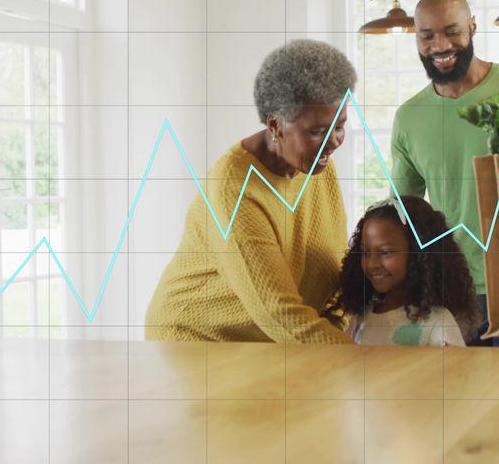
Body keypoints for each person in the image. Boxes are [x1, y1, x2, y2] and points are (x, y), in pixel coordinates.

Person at [144, 39, 356, 344]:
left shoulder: (317, 165)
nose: (334, 141)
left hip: (269, 342)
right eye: (318, 131)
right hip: (199, 341)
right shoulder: (235, 187)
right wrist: (362, 361)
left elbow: (332, 268)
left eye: (340, 126)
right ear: (275, 125)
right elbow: (277, 312)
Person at [390, 0, 499, 346]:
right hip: (450, 293)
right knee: (461, 400)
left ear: (472, 27)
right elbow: (404, 213)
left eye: (452, 31)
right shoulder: (409, 117)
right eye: (427, 36)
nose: (440, 45)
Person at [338, 195, 482, 346]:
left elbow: (458, 368)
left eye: (386, 252)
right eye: (365, 253)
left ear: (419, 254)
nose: (372, 264)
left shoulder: (437, 322)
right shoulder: (360, 318)